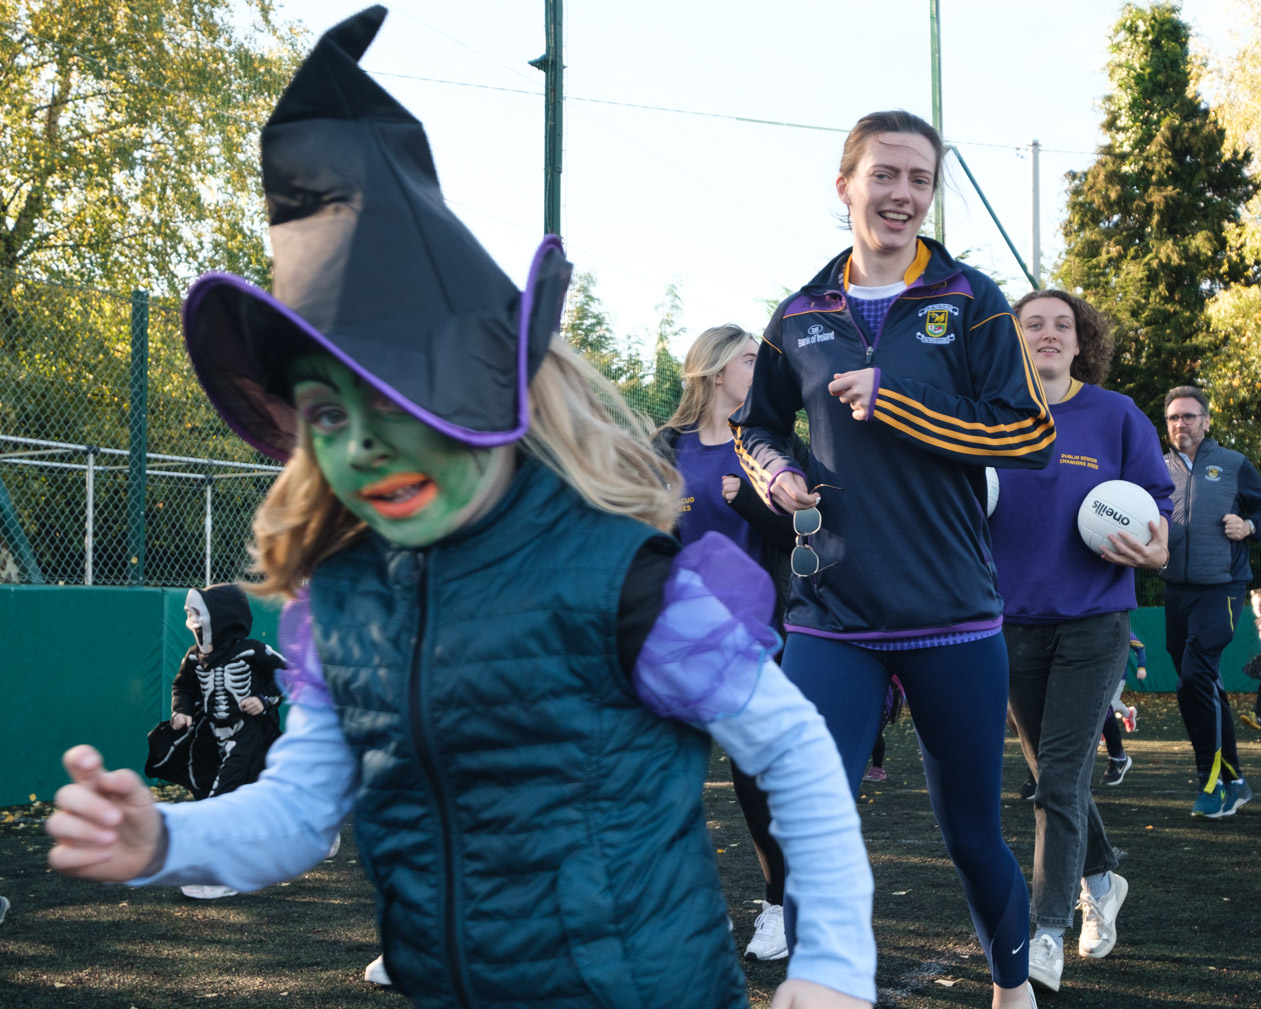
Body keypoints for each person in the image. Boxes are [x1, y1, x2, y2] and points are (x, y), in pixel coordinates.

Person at [44, 10, 876, 1009]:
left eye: (398, 395)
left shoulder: (621, 582)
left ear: (486, 387)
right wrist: (164, 839)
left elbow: (793, 753)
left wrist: (831, 963)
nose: (359, 442)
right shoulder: (343, 602)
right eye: (325, 412)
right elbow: (301, 812)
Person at [732, 108, 1056, 1009]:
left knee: (969, 832)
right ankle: (822, 989)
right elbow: (753, 424)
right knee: (809, 824)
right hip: (830, 618)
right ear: (845, 187)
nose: (902, 194)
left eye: (919, 178)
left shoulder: (973, 299)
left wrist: (899, 399)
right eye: (884, 175)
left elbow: (1027, 433)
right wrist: (776, 471)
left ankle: (1009, 982)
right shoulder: (797, 313)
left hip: (951, 613)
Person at [990, 289, 1173, 993]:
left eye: (1060, 324)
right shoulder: (992, 417)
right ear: (1013, 339)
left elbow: (1156, 501)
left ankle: (1043, 932)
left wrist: (1157, 548)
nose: (1047, 333)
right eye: (1031, 323)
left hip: (1095, 618)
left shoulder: (1114, 414)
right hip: (1010, 622)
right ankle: (1101, 876)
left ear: (1079, 338)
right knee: (1052, 778)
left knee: (1058, 779)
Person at [654, 323, 806, 963]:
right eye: (751, 359)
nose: (761, 369)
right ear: (717, 371)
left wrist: (750, 504)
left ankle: (778, 908)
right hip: (676, 640)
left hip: (759, 636)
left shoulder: (769, 446)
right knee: (657, 777)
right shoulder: (663, 446)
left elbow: (803, 533)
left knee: (755, 783)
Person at [144, 582, 286, 899]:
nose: (191, 622)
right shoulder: (195, 658)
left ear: (219, 617)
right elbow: (184, 687)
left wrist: (264, 699)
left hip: (248, 734)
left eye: (197, 613)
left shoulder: (252, 650)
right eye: (188, 614)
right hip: (212, 735)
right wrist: (180, 711)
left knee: (224, 797)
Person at [1160, 385, 1260, 817]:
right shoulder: (1156, 468)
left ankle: (1212, 782)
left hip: (1222, 587)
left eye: (1189, 416)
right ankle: (1237, 780)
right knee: (1203, 683)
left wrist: (1250, 526)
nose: (1181, 424)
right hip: (1174, 591)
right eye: (1173, 418)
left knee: (1195, 678)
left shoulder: (1234, 464)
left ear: (1206, 421)